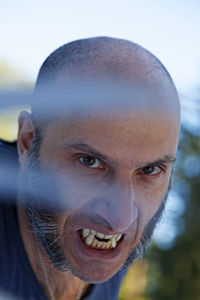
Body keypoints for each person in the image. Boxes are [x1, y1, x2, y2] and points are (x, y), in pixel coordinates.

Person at [0, 36, 180, 300]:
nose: (120, 220)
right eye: (90, 162)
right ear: (27, 142)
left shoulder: (106, 248)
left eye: (150, 170)